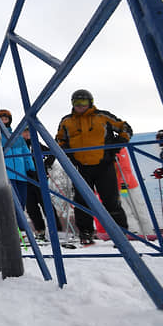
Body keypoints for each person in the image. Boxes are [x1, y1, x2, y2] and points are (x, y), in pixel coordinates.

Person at [55, 89, 132, 245]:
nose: (79, 106)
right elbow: (60, 140)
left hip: (104, 164)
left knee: (110, 200)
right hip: (81, 167)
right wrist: (65, 153)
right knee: (82, 201)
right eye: (76, 102)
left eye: (83, 102)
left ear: (90, 102)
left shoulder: (102, 116)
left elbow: (125, 127)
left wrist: (120, 142)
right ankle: (86, 233)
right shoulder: (67, 121)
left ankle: (121, 232)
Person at [22, 127, 62, 240]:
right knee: (31, 207)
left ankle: (56, 229)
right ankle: (40, 230)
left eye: (30, 132)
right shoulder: (19, 146)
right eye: (25, 132)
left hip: (39, 177)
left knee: (46, 203)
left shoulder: (37, 144)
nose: (28, 134)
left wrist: (46, 164)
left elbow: (52, 153)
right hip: (25, 178)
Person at [0, 109, 34, 219]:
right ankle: (15, 225)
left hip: (21, 174)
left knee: (22, 201)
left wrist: (31, 168)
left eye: (6, 119)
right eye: (1, 119)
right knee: (14, 201)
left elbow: (26, 153)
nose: (4, 121)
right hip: (7, 173)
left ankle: (21, 226)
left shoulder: (17, 136)